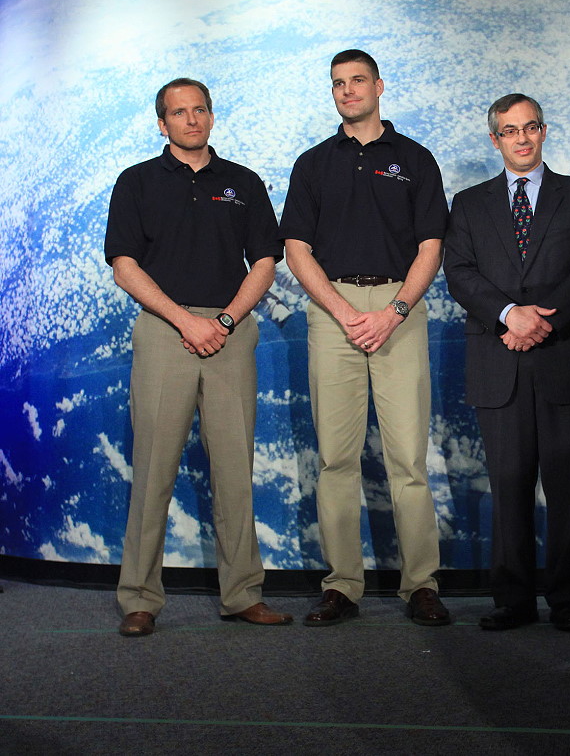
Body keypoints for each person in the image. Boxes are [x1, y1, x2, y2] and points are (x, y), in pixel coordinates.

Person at [105, 78, 291, 636]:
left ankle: (243, 594)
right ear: (162, 123)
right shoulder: (136, 181)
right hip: (165, 331)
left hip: (230, 333)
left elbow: (264, 261)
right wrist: (186, 321)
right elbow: (124, 266)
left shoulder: (243, 182)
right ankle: (139, 598)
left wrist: (226, 321)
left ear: (211, 116)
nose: (191, 120)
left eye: (200, 110)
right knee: (153, 470)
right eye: (179, 112)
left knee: (235, 472)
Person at [279, 50, 451, 627]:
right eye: (338, 84)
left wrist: (395, 310)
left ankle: (421, 584)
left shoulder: (415, 159)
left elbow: (431, 245)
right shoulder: (313, 164)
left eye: (357, 80)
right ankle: (341, 586)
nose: (348, 90)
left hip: (400, 309)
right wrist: (343, 310)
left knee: (408, 459)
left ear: (379, 86)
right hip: (334, 313)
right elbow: (296, 248)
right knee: (335, 459)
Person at [444, 94, 570, 632]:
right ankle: (512, 599)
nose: (522, 138)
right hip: (499, 362)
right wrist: (509, 315)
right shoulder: (469, 204)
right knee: (509, 485)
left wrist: (542, 322)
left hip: (561, 358)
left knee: (567, 486)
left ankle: (568, 600)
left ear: (544, 131)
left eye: (530, 127)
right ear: (495, 139)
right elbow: (460, 273)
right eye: (510, 131)